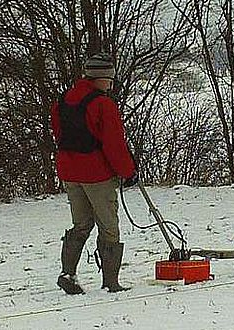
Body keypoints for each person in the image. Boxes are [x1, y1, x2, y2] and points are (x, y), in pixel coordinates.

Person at [50, 52, 138, 294]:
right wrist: (128, 171)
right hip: (97, 174)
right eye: (109, 79)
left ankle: (68, 273)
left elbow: (59, 133)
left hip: (69, 171)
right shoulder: (103, 104)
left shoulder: (64, 99)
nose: (111, 84)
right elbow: (113, 143)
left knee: (80, 223)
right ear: (101, 78)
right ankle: (111, 281)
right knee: (108, 225)